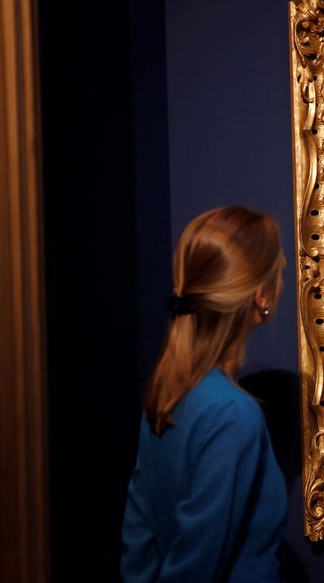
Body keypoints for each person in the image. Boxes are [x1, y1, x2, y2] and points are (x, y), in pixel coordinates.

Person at [121, 206, 288, 582]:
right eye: (278, 266)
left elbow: (138, 542)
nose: (285, 269)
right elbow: (195, 565)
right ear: (261, 294)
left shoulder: (166, 396)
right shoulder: (233, 412)